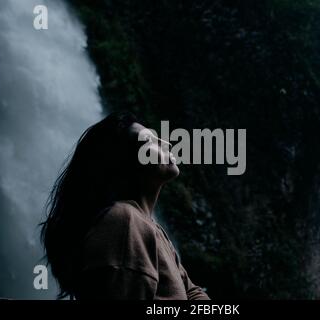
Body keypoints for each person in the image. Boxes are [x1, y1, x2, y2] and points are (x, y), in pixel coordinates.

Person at [40, 112, 210, 300]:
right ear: (124, 162)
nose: (166, 144)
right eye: (149, 141)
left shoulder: (150, 229)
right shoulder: (124, 223)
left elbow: (193, 293)